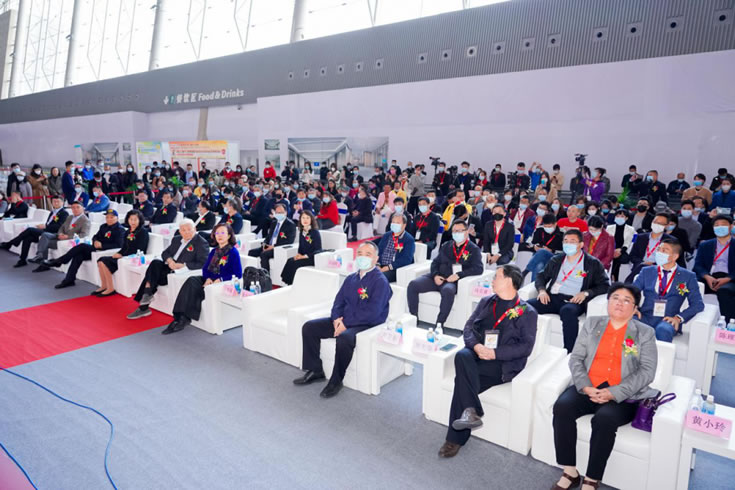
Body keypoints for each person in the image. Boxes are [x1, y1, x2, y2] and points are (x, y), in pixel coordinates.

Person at [551, 283, 658, 490]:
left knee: (604, 419)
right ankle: (570, 471)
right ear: (608, 302)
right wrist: (585, 386)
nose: (619, 303)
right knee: (562, 407)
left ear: (635, 308)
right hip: (589, 386)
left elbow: (647, 371)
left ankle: (592, 479)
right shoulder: (592, 324)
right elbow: (576, 358)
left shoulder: (645, 333)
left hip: (623, 394)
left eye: (626, 300)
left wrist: (613, 392)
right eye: (615, 298)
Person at [438, 265, 538, 458]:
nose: (492, 280)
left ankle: (455, 438)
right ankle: (472, 411)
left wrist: (494, 353)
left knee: (462, 381)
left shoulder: (527, 311)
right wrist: (476, 347)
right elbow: (468, 328)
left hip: (501, 364)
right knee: (462, 355)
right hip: (477, 354)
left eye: (496, 277)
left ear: (509, 281)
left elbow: (526, 347)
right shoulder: (486, 301)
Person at [293, 241, 392, 398]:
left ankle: (336, 381)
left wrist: (345, 324)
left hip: (366, 324)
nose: (363, 257)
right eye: (360, 254)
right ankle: (315, 370)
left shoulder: (380, 281)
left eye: (368, 254)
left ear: (376, 259)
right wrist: (336, 320)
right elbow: (338, 302)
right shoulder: (351, 278)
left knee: (344, 338)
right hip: (343, 321)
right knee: (309, 327)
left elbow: (373, 312)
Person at [527, 230, 610, 352]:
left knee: (567, 312)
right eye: (566, 241)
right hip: (552, 297)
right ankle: (522, 342)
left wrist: (586, 293)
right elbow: (541, 276)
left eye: (572, 241)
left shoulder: (592, 263)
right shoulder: (556, 260)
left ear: (581, 244)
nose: (568, 244)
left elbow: (605, 285)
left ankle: (569, 352)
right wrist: (542, 290)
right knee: (526, 307)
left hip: (573, 300)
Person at [162, 223, 242, 334]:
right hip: (209, 280)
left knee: (195, 288)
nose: (219, 235)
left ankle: (184, 319)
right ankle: (178, 317)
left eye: (223, 233)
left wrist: (220, 280)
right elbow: (205, 268)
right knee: (191, 280)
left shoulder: (233, 252)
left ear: (229, 235)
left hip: (221, 284)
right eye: (217, 233)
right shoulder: (214, 251)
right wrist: (208, 278)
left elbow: (238, 274)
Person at [127, 220, 209, 319]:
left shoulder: (201, 243)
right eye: (183, 230)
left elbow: (203, 262)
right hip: (169, 267)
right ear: (180, 231)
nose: (187, 232)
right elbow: (165, 253)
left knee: (152, 274)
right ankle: (147, 293)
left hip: (179, 271)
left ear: (195, 229)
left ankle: (143, 306)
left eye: (189, 229)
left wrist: (183, 265)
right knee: (155, 263)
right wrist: (170, 261)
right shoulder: (176, 239)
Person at [407, 220, 483, 327]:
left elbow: (478, 268)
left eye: (459, 231)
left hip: (453, 281)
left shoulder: (473, 249)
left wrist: (459, 275)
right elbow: (435, 262)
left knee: (447, 291)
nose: (456, 233)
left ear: (466, 232)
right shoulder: (447, 245)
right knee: (413, 284)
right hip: (438, 277)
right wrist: (435, 275)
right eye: (454, 231)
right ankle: (414, 318)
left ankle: (439, 323)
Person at [633, 238, 704, 341]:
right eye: (658, 249)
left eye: (664, 250)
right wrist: (633, 307)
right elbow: (631, 292)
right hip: (644, 316)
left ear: (675, 256)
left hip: (668, 320)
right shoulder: (646, 271)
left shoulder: (687, 276)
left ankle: (661, 352)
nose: (659, 252)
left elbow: (697, 304)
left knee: (663, 330)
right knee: (629, 322)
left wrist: (678, 318)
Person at [40, 209, 125, 289]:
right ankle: (69, 280)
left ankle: (61, 261)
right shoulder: (103, 226)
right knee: (78, 255)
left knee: (82, 246)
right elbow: (95, 236)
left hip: (104, 252)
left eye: (111, 217)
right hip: (95, 249)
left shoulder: (120, 230)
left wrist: (102, 245)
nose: (109, 219)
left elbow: (119, 245)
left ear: (117, 218)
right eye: (107, 217)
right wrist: (95, 241)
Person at [0, 195, 68, 267]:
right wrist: (44, 226)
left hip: (52, 234)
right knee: (27, 238)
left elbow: (59, 226)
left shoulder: (64, 213)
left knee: (30, 230)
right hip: (45, 230)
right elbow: (50, 223)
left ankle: (11, 243)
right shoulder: (53, 212)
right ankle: (22, 260)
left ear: (62, 203)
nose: (56, 203)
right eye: (54, 201)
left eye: (58, 202)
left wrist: (46, 226)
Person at [93, 210, 150, 296]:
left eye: (135, 220)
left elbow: (140, 249)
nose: (133, 222)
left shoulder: (143, 232)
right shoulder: (128, 231)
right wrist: (118, 253)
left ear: (140, 220)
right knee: (100, 261)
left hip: (133, 258)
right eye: (131, 219)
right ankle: (104, 285)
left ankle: (110, 288)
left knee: (104, 262)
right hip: (123, 256)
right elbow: (124, 247)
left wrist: (122, 256)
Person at [694, 215, 735, 322]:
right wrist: (707, 277)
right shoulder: (705, 245)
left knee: (725, 291)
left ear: (731, 226)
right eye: (717, 225)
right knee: (688, 286)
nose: (720, 227)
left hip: (730, 278)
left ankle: (728, 324)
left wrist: (728, 279)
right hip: (708, 277)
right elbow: (698, 265)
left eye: (723, 225)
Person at [29, 201, 90, 268]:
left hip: (69, 239)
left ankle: (43, 263)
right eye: (73, 208)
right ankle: (40, 256)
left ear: (82, 208)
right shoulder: (70, 217)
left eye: (78, 207)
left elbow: (84, 234)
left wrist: (67, 237)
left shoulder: (85, 220)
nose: (75, 209)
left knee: (44, 242)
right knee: (45, 235)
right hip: (61, 235)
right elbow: (62, 227)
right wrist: (60, 233)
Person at [625, 213, 675, 282]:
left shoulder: (671, 241)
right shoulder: (640, 237)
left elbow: (671, 259)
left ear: (666, 226)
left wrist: (653, 264)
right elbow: (633, 255)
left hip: (659, 268)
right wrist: (642, 263)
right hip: (640, 266)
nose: (656, 224)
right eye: (655, 222)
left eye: (660, 223)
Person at [249, 203, 296, 271]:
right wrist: (264, 244)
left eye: (281, 212)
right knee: (251, 252)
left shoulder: (290, 225)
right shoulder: (274, 223)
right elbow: (268, 236)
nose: (279, 214)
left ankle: (265, 275)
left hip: (277, 248)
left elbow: (289, 241)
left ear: (285, 213)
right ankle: (252, 273)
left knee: (264, 255)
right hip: (268, 246)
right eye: (277, 213)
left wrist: (273, 247)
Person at [280, 211, 322, 285]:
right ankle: (288, 283)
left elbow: (318, 249)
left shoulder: (315, 232)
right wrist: (299, 254)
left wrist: (304, 256)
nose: (305, 220)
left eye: (307, 218)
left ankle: (293, 284)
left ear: (311, 219)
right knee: (290, 260)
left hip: (312, 257)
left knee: (296, 263)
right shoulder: (302, 232)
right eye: (303, 218)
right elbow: (301, 247)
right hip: (303, 256)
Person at [522, 213, 563, 281]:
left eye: (549, 226)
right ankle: (533, 286)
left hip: (553, 257)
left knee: (543, 251)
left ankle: (526, 270)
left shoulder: (562, 233)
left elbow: (563, 252)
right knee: (539, 266)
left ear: (555, 224)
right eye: (545, 226)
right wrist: (534, 247)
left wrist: (551, 250)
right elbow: (531, 244)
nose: (547, 228)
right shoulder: (539, 229)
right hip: (538, 257)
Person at [377, 214, 415, 282]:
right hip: (381, 266)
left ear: (404, 225)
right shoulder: (386, 235)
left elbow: (406, 259)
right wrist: (378, 265)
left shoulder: (409, 239)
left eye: (397, 223)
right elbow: (379, 251)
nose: (395, 224)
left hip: (394, 269)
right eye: (393, 222)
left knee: (379, 278)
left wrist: (388, 267)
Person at [607, 209, 635, 282]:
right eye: (617, 216)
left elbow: (628, 242)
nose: (619, 218)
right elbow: (607, 241)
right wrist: (612, 251)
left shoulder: (631, 229)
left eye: (622, 216)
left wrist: (621, 251)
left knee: (619, 260)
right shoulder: (609, 228)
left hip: (622, 250)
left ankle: (615, 278)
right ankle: (611, 277)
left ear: (626, 218)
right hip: (611, 250)